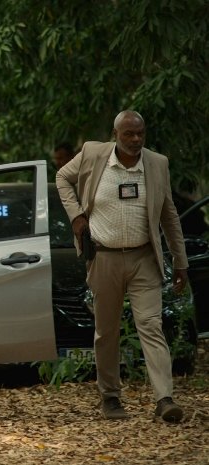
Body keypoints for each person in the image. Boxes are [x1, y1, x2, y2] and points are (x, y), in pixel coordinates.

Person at [56, 110, 189, 423]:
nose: (136, 140)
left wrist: (179, 261)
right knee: (107, 332)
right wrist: (76, 215)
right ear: (116, 134)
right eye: (129, 134)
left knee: (151, 325)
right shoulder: (92, 154)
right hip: (104, 258)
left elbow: (169, 215)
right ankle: (111, 397)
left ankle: (164, 398)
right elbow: (62, 177)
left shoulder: (157, 164)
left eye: (140, 133)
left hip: (144, 258)